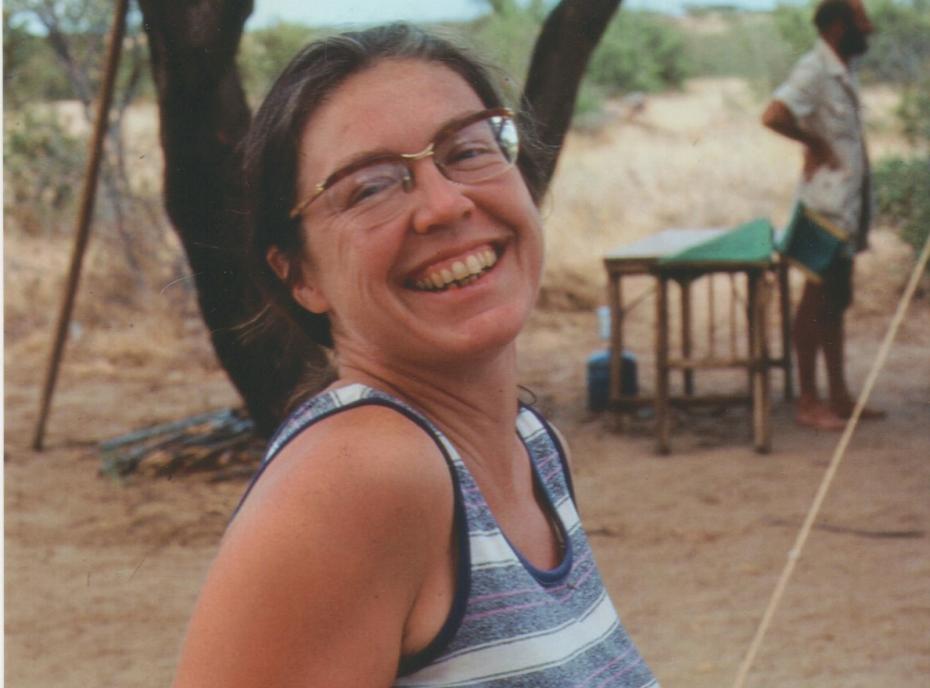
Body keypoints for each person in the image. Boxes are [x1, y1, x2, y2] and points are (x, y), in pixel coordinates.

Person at [171, 24, 659, 687]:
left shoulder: (532, 447)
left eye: (468, 150)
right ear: (299, 276)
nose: (445, 204)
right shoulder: (361, 479)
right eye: (370, 187)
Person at [762, 0, 884, 431]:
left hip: (846, 207)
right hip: (823, 207)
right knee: (815, 302)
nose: (868, 30)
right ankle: (809, 402)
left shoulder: (842, 67)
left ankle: (839, 396)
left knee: (837, 300)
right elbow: (774, 115)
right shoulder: (814, 68)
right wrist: (813, 144)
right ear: (837, 26)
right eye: (860, 22)